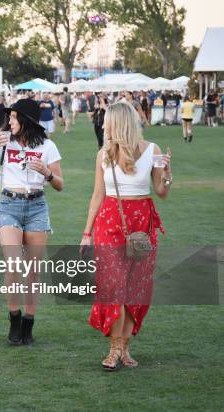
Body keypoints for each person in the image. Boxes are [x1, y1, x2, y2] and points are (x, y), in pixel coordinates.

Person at [80, 101, 170, 371]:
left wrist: (167, 174)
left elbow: (162, 191)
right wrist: (86, 233)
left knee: (136, 289)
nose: (103, 124)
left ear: (118, 123)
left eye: (107, 120)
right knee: (114, 287)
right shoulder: (103, 154)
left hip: (141, 223)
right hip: (109, 222)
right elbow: (97, 196)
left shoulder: (152, 150)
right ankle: (114, 348)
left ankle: (125, 346)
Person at [0, 98, 63, 346]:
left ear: (26, 120)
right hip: (9, 206)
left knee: (33, 271)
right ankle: (14, 318)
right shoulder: (4, 142)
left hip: (36, 206)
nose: (9, 121)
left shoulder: (48, 146)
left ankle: (29, 323)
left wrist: (46, 173)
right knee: (13, 264)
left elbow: (59, 184)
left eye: (13, 117)